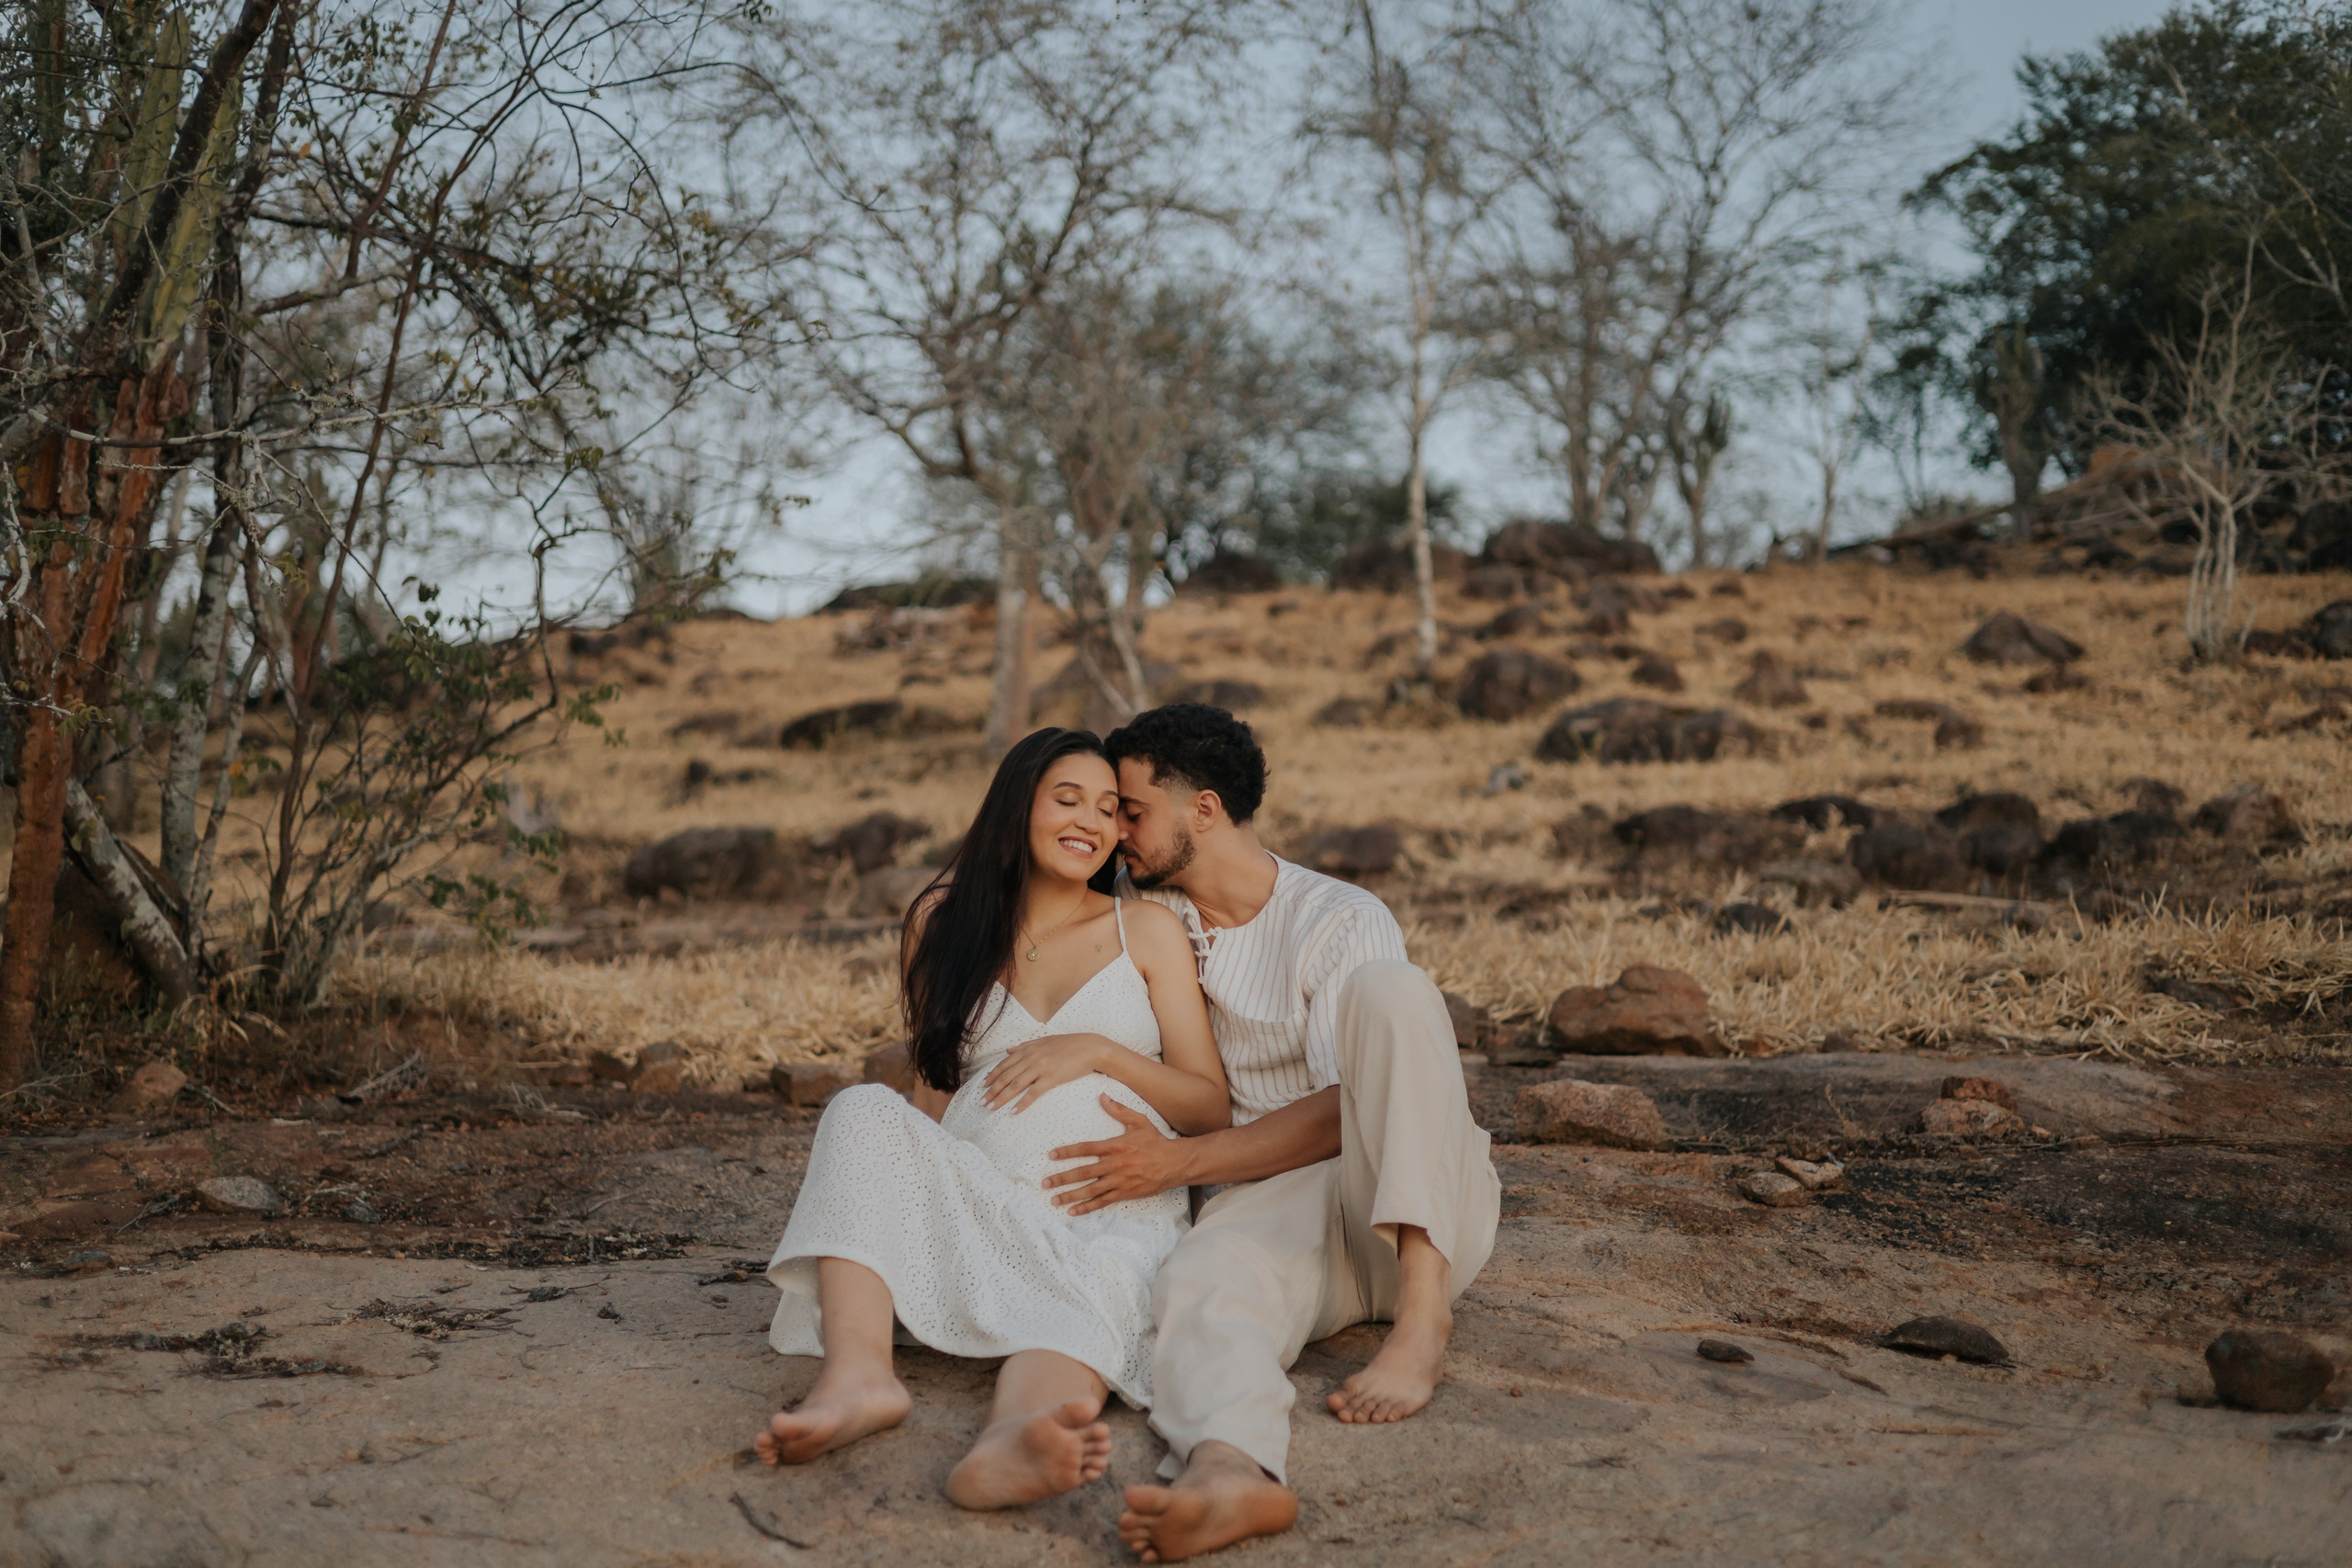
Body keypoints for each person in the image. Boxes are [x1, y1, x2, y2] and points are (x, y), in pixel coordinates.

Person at [1043, 704, 1500, 1562]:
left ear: (1204, 811)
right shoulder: (1152, 919)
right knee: (1198, 1279)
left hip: (1400, 1192)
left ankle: (1423, 1318)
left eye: (1131, 811)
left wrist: (1178, 1162)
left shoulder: (1337, 917)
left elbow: (1344, 1110)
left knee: (1393, 991)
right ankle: (1230, 1472)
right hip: (1277, 1214)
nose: (1116, 833)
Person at [754, 728, 1230, 1510]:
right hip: (985, 1189)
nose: (1091, 821)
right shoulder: (942, 924)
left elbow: (1207, 1102)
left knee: (1095, 1286)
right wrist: (903, 1203)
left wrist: (1097, 1052)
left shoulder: (1143, 929)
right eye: (1067, 798)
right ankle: (858, 1377)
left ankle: (1016, 1437)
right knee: (861, 1108)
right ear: (1019, 806)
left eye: (1110, 809)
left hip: (1108, 1203)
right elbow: (933, 1092)